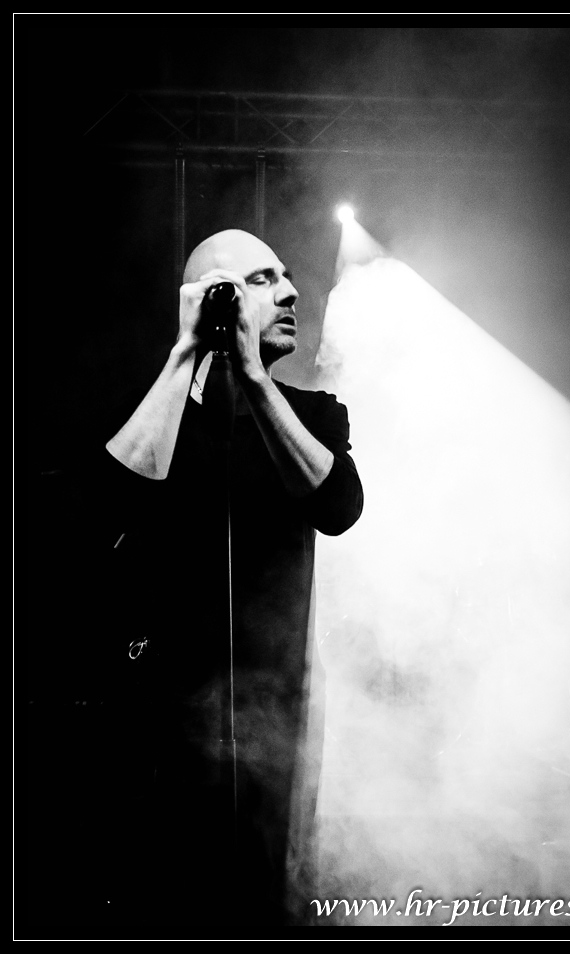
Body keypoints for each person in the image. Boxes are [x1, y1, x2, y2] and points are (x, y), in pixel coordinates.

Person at [97, 229, 363, 930]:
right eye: (262, 279)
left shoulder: (315, 414)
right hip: (160, 727)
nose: (291, 291)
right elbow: (106, 508)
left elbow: (338, 508)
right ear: (210, 298)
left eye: (286, 276)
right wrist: (186, 352)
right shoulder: (151, 411)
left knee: (269, 902)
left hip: (277, 723)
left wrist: (253, 379)